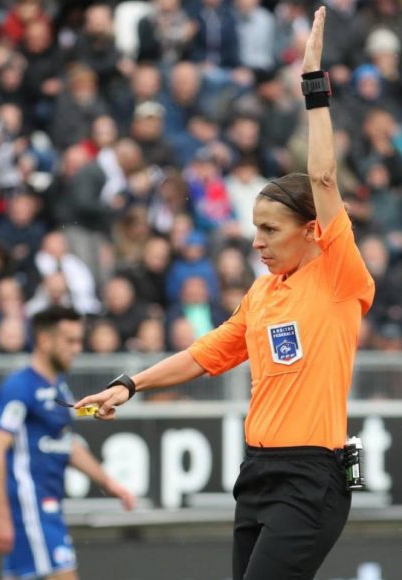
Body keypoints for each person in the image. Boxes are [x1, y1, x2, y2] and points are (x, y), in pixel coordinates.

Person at [75, 9, 376, 579]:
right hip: (258, 473)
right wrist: (129, 384)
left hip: (313, 475)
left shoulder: (339, 276)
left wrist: (313, 88)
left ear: (312, 231)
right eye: (255, 228)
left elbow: (325, 180)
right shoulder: (262, 295)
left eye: (270, 230)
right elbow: (202, 354)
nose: (256, 240)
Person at [0, 305, 136, 580]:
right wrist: (2, 515)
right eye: (70, 341)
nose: (77, 348)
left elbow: (68, 444)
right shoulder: (19, 387)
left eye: (79, 340)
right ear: (44, 341)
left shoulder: (59, 387)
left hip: (48, 508)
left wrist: (109, 484)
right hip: (29, 510)